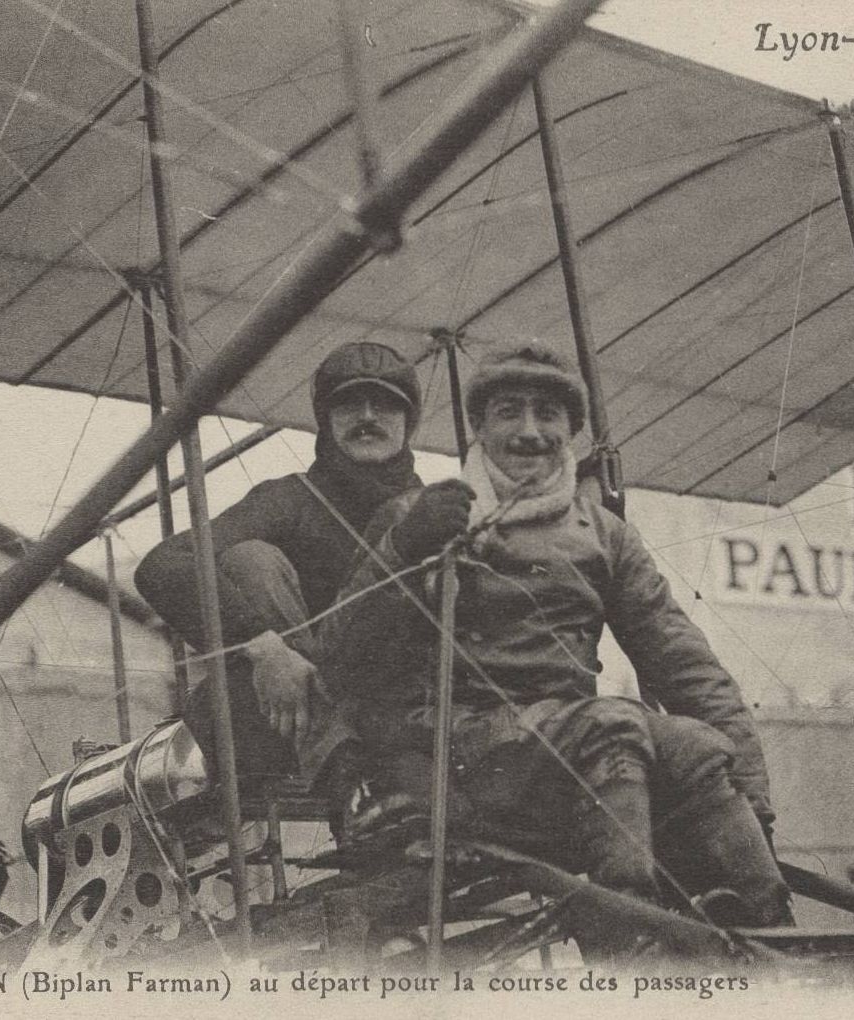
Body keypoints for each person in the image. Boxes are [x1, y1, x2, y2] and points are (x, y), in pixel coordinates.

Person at [320, 342, 791, 939]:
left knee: (697, 743)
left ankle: (773, 933)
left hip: (565, 747)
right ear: (479, 426)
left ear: (573, 429)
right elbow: (335, 654)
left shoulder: (605, 535)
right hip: (450, 751)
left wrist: (754, 801)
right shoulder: (419, 514)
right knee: (614, 725)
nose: (529, 431)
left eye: (548, 414)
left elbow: (686, 665)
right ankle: (628, 948)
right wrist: (402, 552)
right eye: (508, 412)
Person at [134, 341, 422, 803]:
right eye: (348, 403)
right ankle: (350, 774)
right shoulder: (289, 499)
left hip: (403, 700)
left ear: (409, 422)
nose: (368, 415)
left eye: (387, 403)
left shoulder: (431, 508)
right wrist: (263, 646)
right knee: (250, 559)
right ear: (325, 420)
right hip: (289, 710)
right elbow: (163, 565)